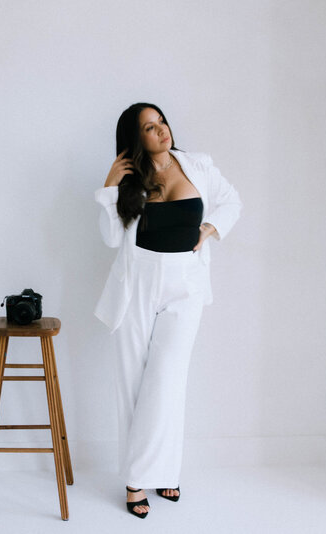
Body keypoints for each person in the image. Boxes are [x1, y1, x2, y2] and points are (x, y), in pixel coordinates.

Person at [94, 103, 242, 518]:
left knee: (167, 379)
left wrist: (210, 229)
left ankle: (156, 470)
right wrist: (108, 187)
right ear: (135, 138)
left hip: (185, 283)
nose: (161, 131)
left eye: (161, 122)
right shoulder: (130, 180)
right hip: (138, 281)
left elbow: (231, 202)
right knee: (132, 382)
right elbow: (109, 238)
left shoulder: (197, 165)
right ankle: (140, 479)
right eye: (149, 127)